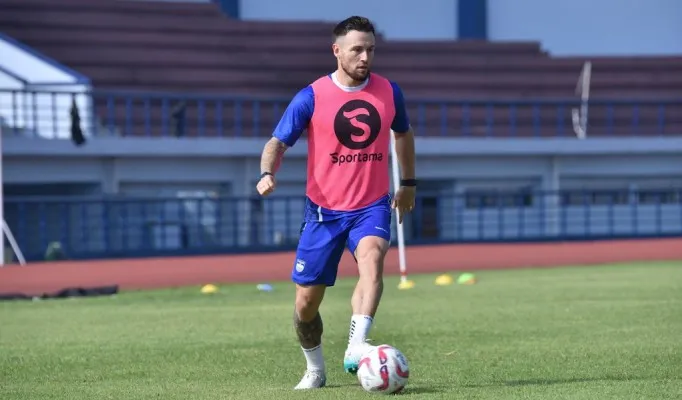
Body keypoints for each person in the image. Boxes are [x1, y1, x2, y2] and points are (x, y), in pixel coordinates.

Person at [256, 15, 417, 390]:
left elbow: (404, 134)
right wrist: (267, 173)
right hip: (323, 213)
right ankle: (315, 369)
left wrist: (407, 183)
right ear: (337, 51)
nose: (365, 57)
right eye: (357, 49)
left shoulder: (390, 92)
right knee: (305, 306)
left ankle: (356, 346)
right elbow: (277, 143)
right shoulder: (311, 96)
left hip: (371, 206)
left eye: (371, 50)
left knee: (373, 260)